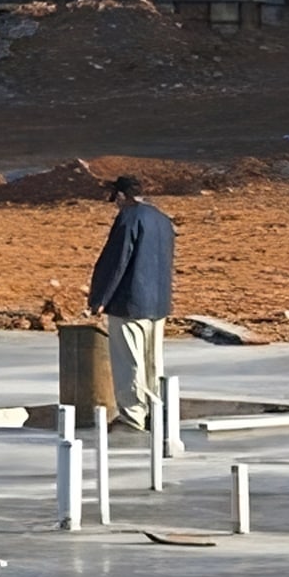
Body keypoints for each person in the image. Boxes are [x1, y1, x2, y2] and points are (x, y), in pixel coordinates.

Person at [88, 175, 176, 431]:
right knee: (153, 361)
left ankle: (132, 415)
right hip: (158, 302)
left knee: (130, 360)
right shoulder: (162, 219)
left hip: (130, 301)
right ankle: (156, 411)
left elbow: (116, 260)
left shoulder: (129, 218)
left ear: (123, 196)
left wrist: (100, 298)